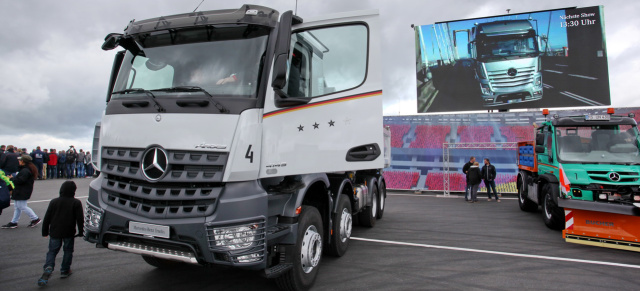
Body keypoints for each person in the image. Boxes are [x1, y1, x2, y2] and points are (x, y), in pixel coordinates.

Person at [38, 181, 84, 286]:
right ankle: (65, 270)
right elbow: (80, 219)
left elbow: (47, 218)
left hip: (55, 231)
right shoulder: (76, 202)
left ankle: (49, 266)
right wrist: (81, 231)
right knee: (68, 250)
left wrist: (45, 231)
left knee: (52, 251)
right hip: (69, 231)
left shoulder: (54, 202)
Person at [2, 155, 41, 229]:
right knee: (17, 207)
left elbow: (20, 180)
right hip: (22, 190)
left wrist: (12, 179)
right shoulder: (27, 169)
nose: (19, 161)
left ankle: (35, 218)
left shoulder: (25, 170)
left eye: (20, 160)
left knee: (21, 206)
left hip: (22, 191)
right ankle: (14, 222)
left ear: (23, 161)